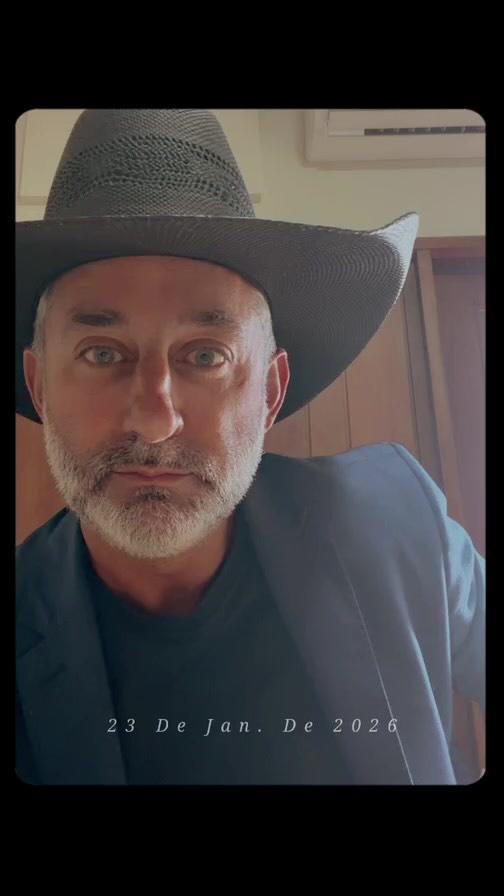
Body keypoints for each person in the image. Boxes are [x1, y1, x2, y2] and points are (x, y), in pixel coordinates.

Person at [16, 109, 485, 786]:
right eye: (101, 352)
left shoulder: (398, 525)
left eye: (206, 355)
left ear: (269, 391)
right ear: (39, 386)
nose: (155, 422)